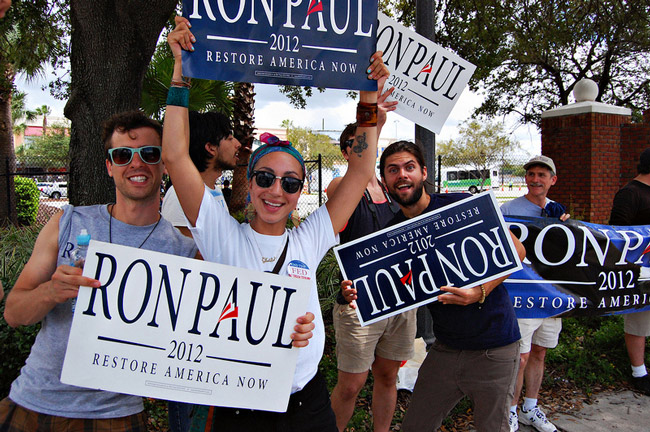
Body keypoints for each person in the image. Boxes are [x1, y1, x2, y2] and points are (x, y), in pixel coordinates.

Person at [162, 16, 388, 431]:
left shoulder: (311, 236)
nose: (275, 191)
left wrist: (368, 95)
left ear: (300, 191)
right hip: (239, 406)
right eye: (264, 178)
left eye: (290, 182)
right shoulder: (220, 234)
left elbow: (359, 172)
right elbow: (176, 157)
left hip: (307, 401)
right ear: (249, 185)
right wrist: (181, 72)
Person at [0, 110, 199, 431]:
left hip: (116, 415)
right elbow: (13, 313)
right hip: (33, 404)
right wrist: (51, 291)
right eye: (122, 155)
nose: (136, 164)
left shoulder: (183, 251)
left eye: (149, 154)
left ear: (164, 163)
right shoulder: (66, 223)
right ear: (109, 166)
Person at [342, 141, 525, 432]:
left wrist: (477, 292)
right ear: (385, 180)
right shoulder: (392, 233)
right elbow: (390, 288)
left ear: (423, 172)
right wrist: (357, 292)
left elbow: (517, 251)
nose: (402, 175)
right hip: (446, 350)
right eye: (393, 170)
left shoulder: (461, 205)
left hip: (495, 347)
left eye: (409, 167)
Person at [328, 93, 410, 432]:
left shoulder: (394, 190)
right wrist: (373, 114)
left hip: (401, 300)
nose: (362, 145)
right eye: (354, 142)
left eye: (368, 139)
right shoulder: (342, 186)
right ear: (347, 151)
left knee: (388, 376)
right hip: (358, 302)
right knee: (351, 384)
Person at [160, 110, 240, 431]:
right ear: (210, 147)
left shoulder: (213, 194)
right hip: (189, 333)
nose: (237, 144)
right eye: (229, 136)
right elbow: (186, 267)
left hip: (211, 327)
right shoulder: (183, 198)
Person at [500, 155, 569, 432]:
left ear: (552, 180)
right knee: (522, 355)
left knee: (540, 351)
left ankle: (531, 406)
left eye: (542, 175)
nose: (536, 179)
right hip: (523, 296)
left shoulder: (559, 211)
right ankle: (511, 409)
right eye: (531, 174)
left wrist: (564, 226)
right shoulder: (509, 210)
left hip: (552, 294)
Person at [609, 148, 650, 396]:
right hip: (641, 270)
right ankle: (639, 372)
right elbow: (618, 232)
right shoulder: (630, 193)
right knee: (639, 320)